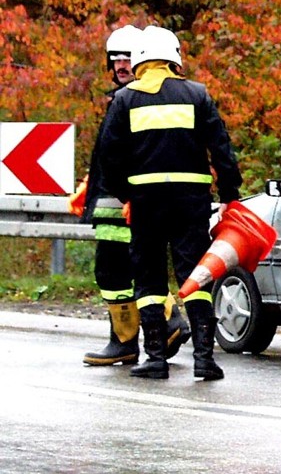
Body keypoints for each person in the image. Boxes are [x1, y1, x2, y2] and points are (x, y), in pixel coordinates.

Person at [99, 25, 243, 381]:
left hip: (146, 203)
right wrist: (229, 196)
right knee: (195, 275)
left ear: (140, 61)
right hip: (191, 201)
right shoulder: (197, 94)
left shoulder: (125, 99)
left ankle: (156, 359)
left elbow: (108, 157)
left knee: (149, 280)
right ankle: (205, 359)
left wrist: (125, 195)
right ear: (174, 57)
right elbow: (222, 150)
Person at [78, 24, 190, 367]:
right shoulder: (130, 99)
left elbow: (124, 155)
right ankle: (159, 328)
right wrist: (89, 185)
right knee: (132, 270)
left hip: (131, 206)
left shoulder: (130, 101)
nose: (122, 65)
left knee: (121, 272)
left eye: (128, 58)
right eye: (116, 59)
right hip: (125, 205)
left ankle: (134, 337)